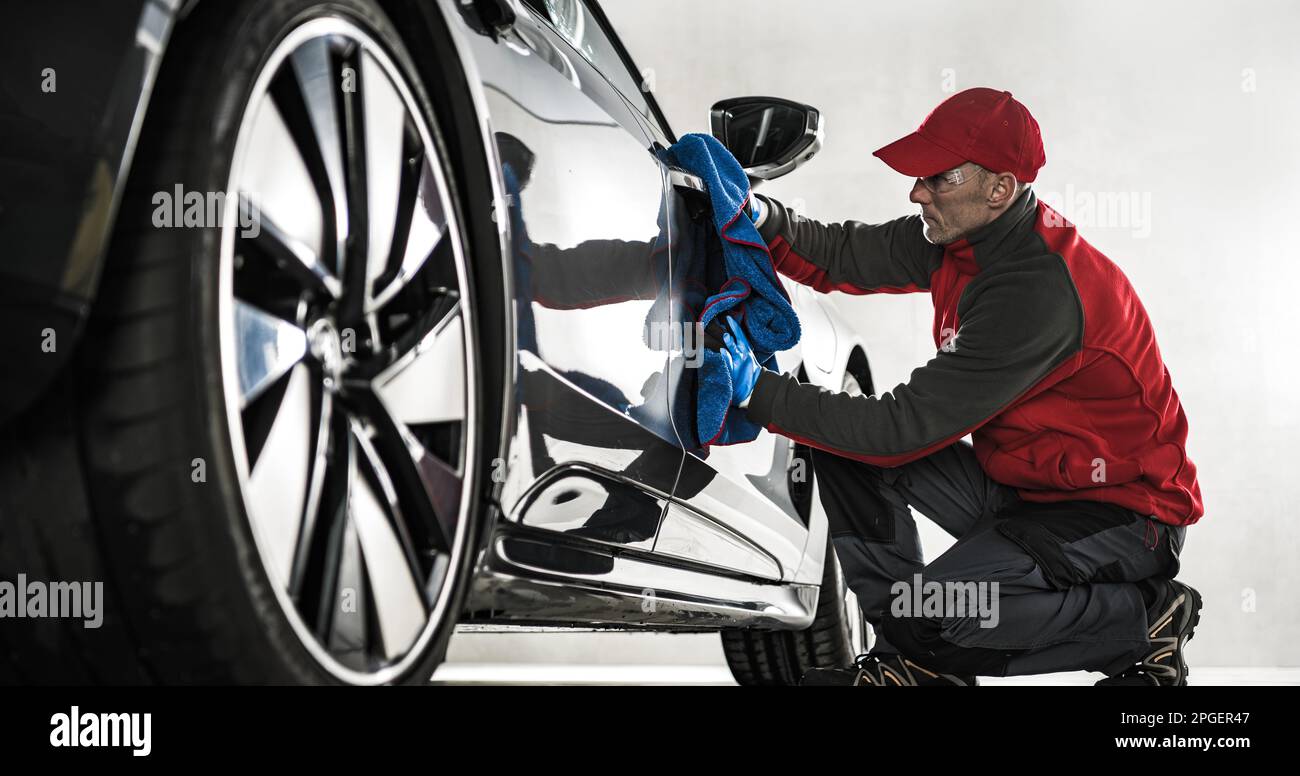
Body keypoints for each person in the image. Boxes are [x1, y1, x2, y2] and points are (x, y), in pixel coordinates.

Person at [720, 87, 1203, 686]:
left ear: (1000, 188)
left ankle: (1144, 620)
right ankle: (915, 667)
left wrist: (755, 391)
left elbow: (900, 430)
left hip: (1120, 516)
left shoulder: (1037, 291)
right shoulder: (965, 237)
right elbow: (847, 253)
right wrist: (761, 218)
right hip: (1023, 491)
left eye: (937, 178)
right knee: (839, 445)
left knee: (931, 611)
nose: (917, 191)